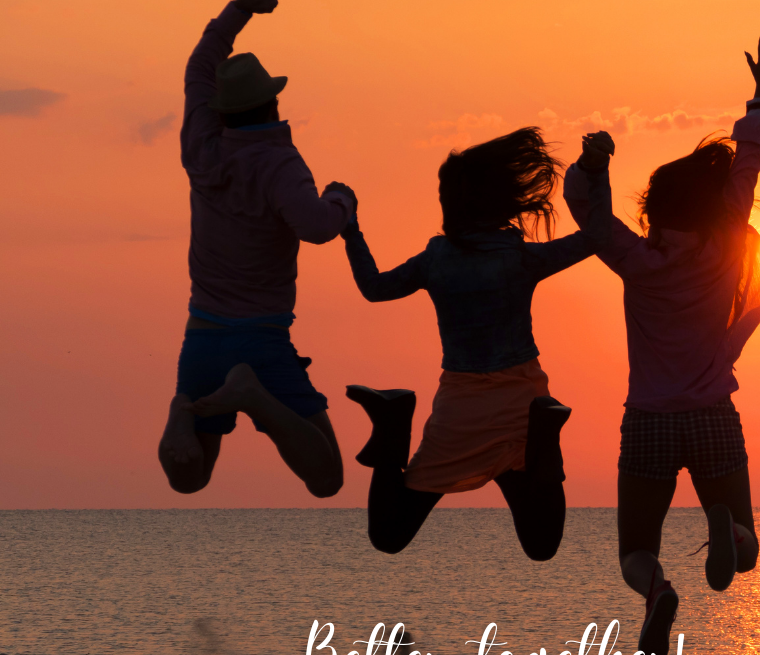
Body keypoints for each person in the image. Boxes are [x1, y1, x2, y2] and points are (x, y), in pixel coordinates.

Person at [564, 34, 760, 655]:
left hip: (649, 422)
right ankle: (730, 529)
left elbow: (587, 209)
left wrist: (592, 163)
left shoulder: (636, 258)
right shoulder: (726, 246)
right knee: (746, 552)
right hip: (714, 413)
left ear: (655, 206)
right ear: (713, 206)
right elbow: (748, 163)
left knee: (635, 548)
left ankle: (659, 590)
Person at [341, 127, 614, 559]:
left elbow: (374, 288)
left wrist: (351, 230)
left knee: (388, 535)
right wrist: (595, 174)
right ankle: (545, 436)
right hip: (520, 401)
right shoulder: (519, 258)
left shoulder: (438, 259)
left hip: (461, 406)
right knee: (542, 545)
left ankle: (393, 423)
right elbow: (598, 236)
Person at [158, 0, 356, 498]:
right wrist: (341, 200)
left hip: (201, 336)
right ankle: (254, 397)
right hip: (262, 339)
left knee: (192, 479)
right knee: (327, 478)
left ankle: (180, 411)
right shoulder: (279, 163)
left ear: (223, 110)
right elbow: (316, 227)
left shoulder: (202, 148)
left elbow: (200, 64)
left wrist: (241, 7)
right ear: (272, 105)